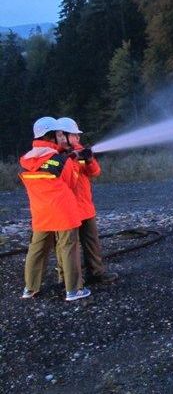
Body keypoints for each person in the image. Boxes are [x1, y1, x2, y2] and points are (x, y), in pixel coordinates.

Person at [19, 117, 91, 301]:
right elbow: (71, 183)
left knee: (37, 249)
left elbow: (44, 169)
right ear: (50, 136)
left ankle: (30, 288)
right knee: (68, 248)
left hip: (41, 212)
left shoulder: (26, 159)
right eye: (59, 134)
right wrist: (75, 161)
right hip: (63, 211)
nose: (62, 137)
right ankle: (74, 290)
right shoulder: (61, 160)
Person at [55, 117, 118, 284]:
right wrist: (70, 158)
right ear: (62, 136)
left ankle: (97, 272)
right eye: (75, 135)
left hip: (85, 205)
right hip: (66, 208)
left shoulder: (80, 151)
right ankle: (67, 279)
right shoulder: (54, 156)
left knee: (92, 241)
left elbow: (95, 172)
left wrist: (89, 160)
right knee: (67, 245)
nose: (78, 138)